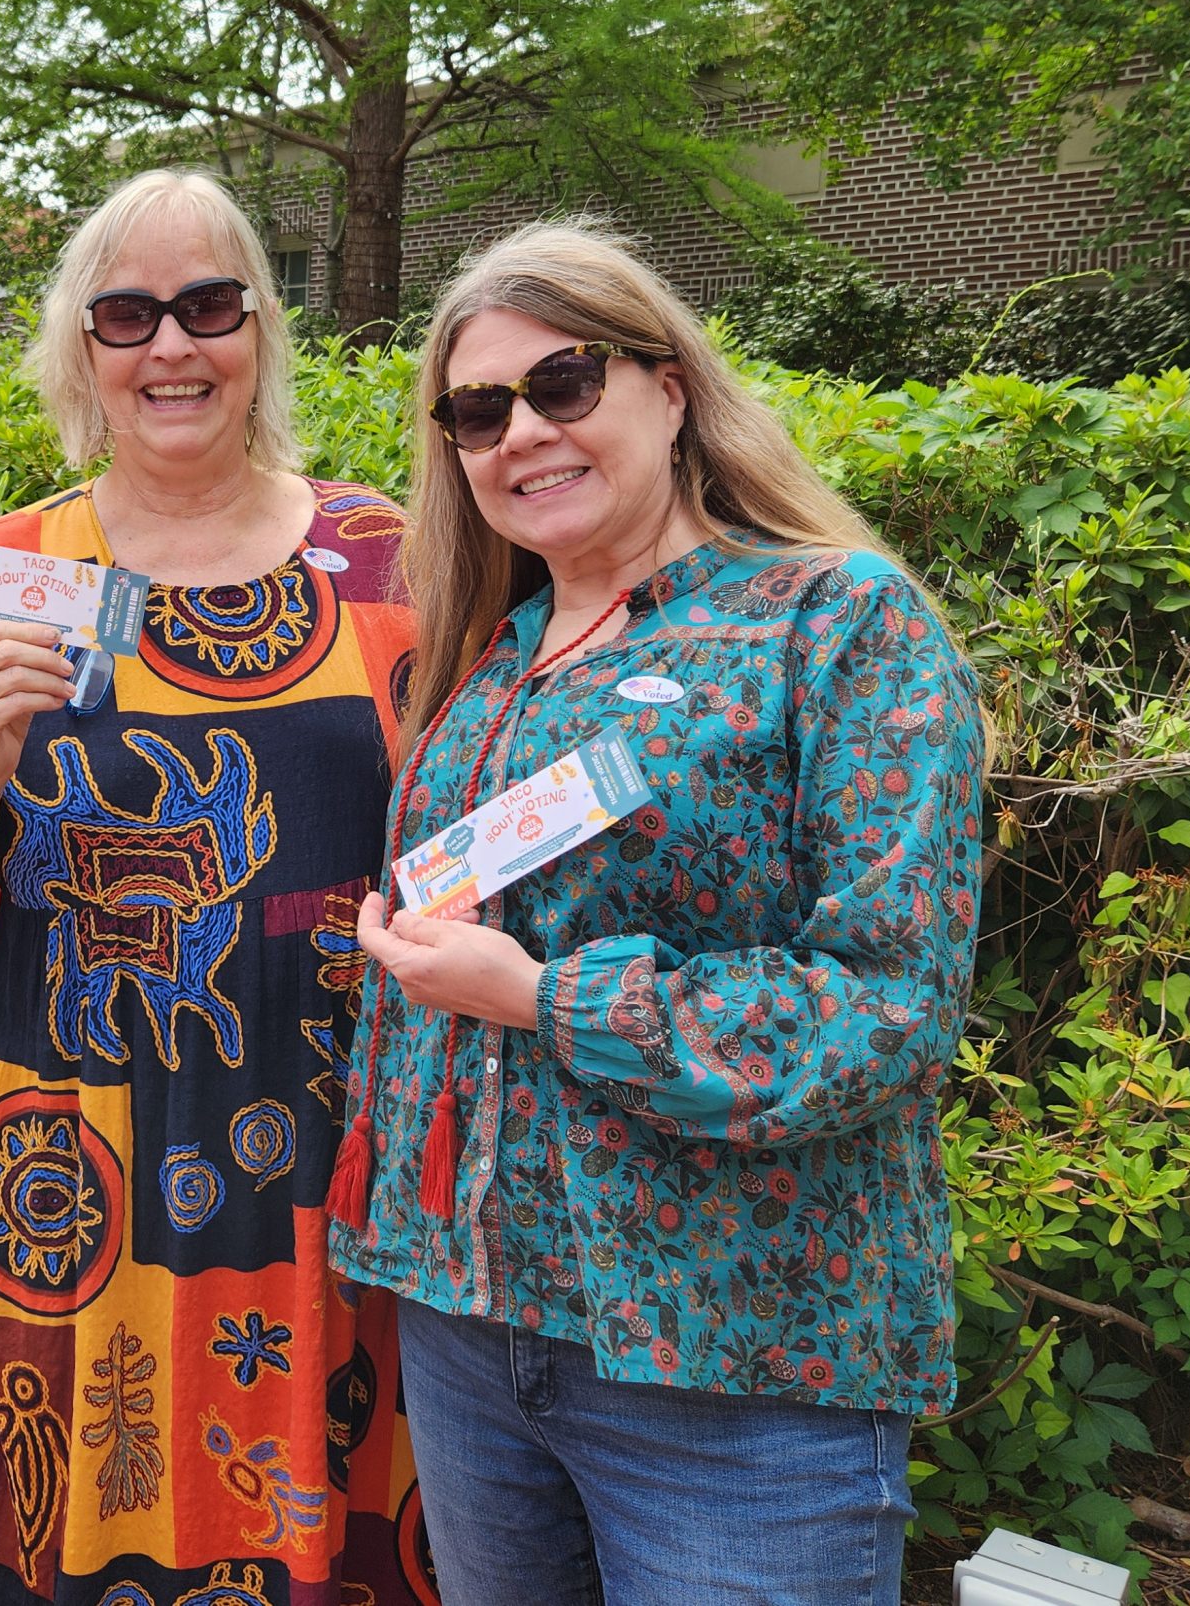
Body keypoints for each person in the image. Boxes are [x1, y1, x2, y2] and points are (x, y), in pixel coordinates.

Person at [326, 219, 986, 1605]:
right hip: (471, 1331)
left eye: (565, 383)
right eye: (478, 408)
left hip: (733, 1362)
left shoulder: (832, 621)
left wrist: (542, 997)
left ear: (670, 388)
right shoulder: (483, 659)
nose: (522, 431)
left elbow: (884, 1009)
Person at [0, 168, 429, 1606]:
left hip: (324, 1165)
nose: (172, 346)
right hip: (53, 1166)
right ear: (80, 353)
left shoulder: (394, 558)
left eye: (208, 306)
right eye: (127, 315)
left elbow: (475, 846)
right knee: (55, 1529)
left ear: (259, 333)